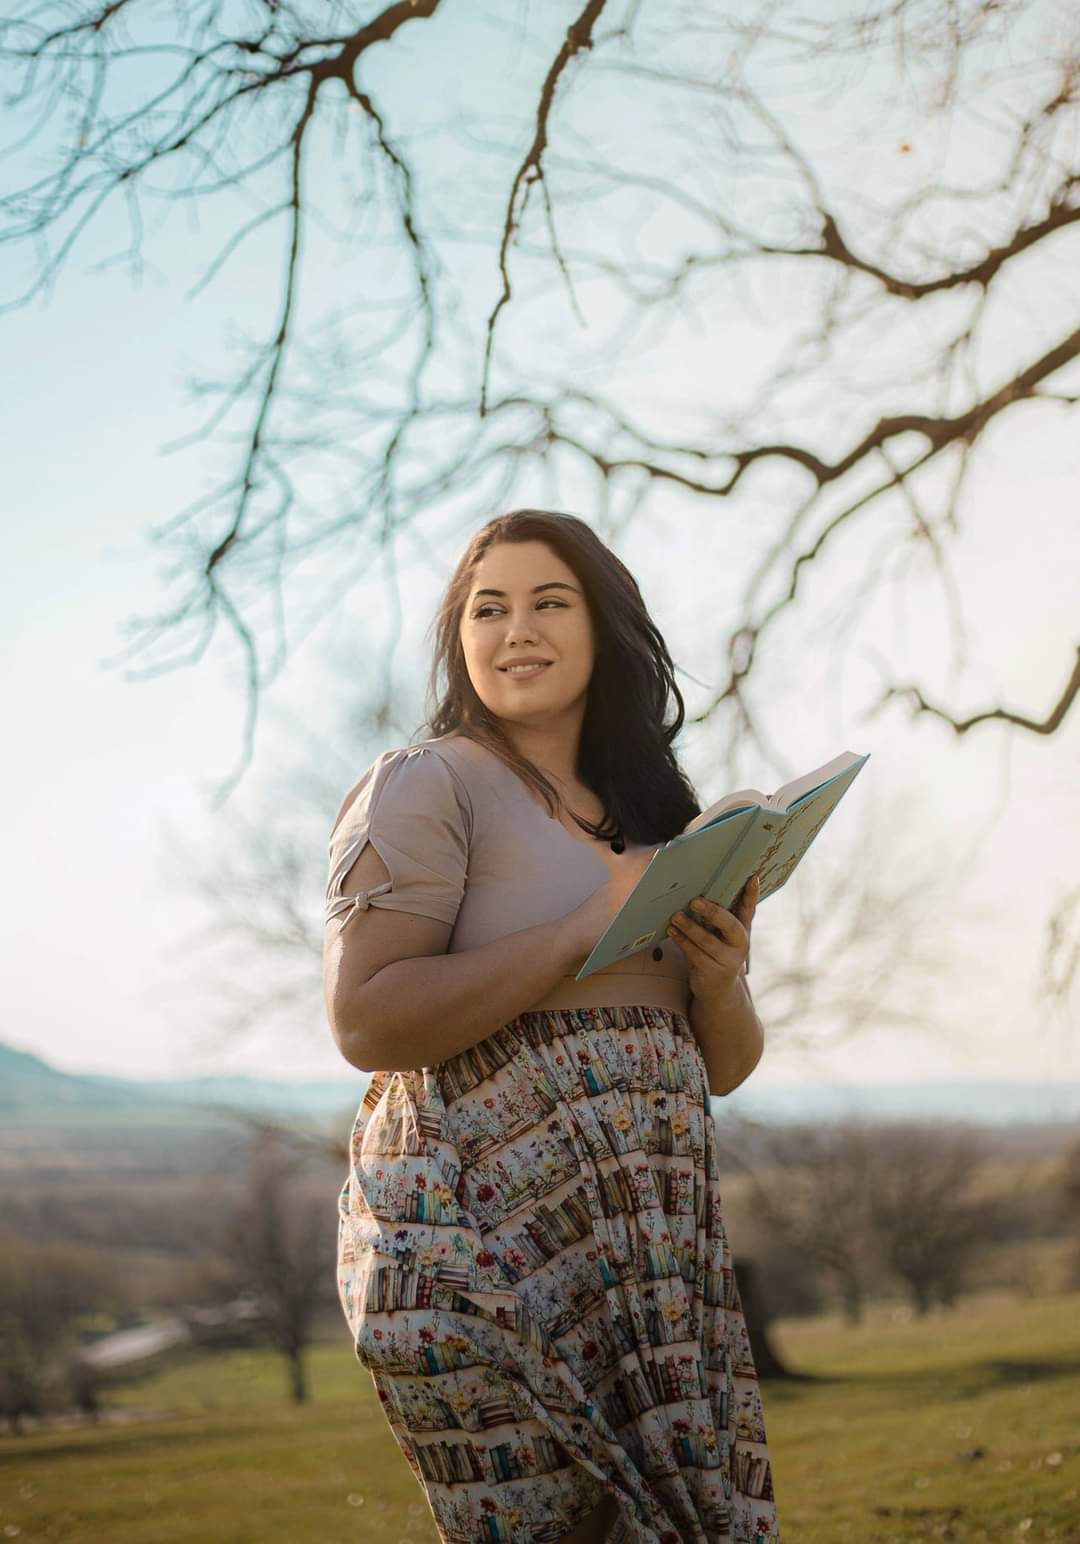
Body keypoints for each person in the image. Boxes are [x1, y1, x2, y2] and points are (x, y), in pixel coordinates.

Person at [323, 509, 780, 1544]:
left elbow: (727, 1066)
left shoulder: (660, 813)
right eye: (488, 608)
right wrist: (586, 927)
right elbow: (363, 1016)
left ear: (606, 627)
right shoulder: (428, 782)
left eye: (548, 602)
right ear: (459, 635)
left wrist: (721, 980)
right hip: (476, 1255)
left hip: (652, 1264)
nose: (514, 628)